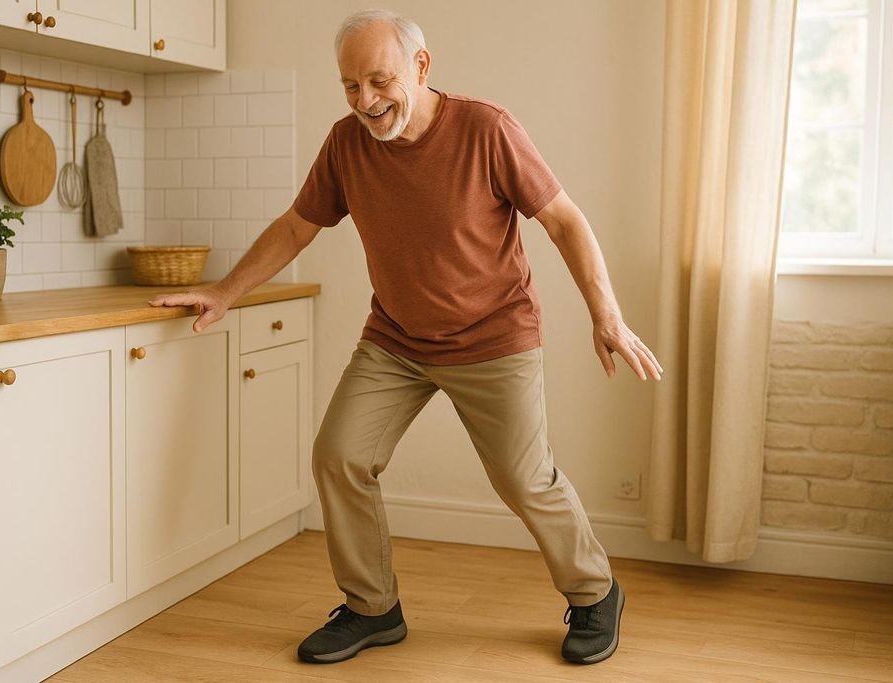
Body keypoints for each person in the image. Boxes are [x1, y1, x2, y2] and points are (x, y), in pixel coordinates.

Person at [148, 8, 663, 667]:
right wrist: (224, 291)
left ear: (420, 67)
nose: (366, 101)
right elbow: (296, 226)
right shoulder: (345, 145)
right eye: (350, 87)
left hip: (494, 335)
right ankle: (372, 607)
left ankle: (595, 591)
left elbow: (563, 219)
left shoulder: (485, 129)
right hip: (396, 338)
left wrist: (607, 314)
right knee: (339, 454)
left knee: (523, 476)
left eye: (378, 81)